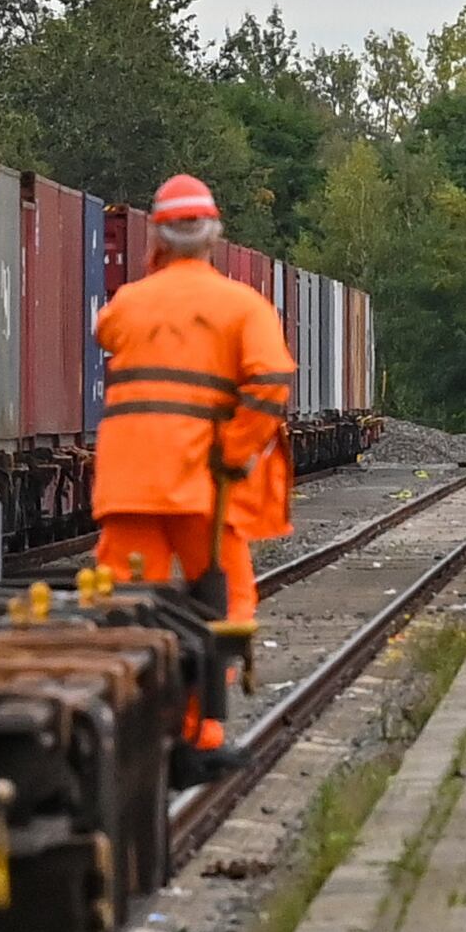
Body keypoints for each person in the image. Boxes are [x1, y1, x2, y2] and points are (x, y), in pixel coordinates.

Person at [91, 173, 301, 754]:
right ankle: (201, 730)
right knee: (222, 606)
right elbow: (273, 378)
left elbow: (104, 332)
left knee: (129, 610)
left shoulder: (127, 304)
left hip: (127, 485)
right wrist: (235, 450)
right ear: (215, 236)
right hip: (202, 490)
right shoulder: (242, 306)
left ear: (156, 237)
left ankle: (136, 729)